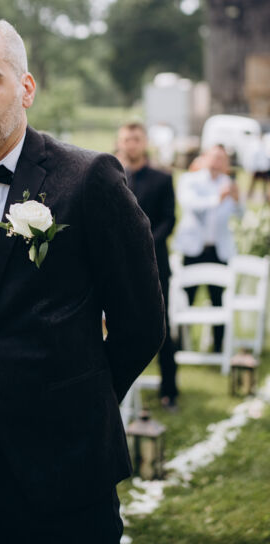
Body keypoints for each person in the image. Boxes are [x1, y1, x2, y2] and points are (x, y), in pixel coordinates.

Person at [0, 19, 165, 544]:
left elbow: (141, 322)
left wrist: (79, 400)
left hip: (67, 468)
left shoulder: (88, 179)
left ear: (26, 88)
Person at [117, 122, 178, 410]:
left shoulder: (162, 178)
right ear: (120, 142)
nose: (132, 144)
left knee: (161, 324)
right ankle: (119, 390)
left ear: (145, 142)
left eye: (137, 139)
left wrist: (145, 243)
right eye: (127, 139)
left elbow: (169, 219)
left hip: (155, 263)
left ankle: (169, 389)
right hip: (118, 264)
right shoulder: (111, 177)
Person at [174, 144, 241, 352]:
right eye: (214, 157)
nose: (217, 162)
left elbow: (240, 214)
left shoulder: (229, 183)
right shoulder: (190, 180)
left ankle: (219, 346)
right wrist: (217, 199)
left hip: (218, 250)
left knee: (218, 298)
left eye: (222, 158)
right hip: (193, 249)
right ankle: (181, 344)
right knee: (187, 297)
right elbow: (190, 204)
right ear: (205, 158)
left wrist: (237, 200)